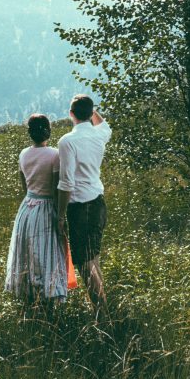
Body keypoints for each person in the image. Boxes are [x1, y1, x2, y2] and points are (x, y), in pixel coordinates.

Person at [5, 113, 68, 307]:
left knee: (27, 251)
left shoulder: (23, 154)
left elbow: (24, 186)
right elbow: (57, 188)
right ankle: (50, 295)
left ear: (30, 133)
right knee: (47, 251)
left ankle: (28, 294)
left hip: (27, 208)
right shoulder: (55, 155)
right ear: (48, 130)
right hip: (46, 207)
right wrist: (60, 216)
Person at [57, 95, 111, 316]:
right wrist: (92, 110)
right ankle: (102, 309)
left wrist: (60, 216)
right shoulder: (100, 135)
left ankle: (103, 315)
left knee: (84, 264)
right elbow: (104, 124)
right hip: (98, 203)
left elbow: (66, 182)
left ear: (71, 114)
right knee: (93, 257)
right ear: (91, 114)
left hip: (80, 207)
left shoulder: (67, 141)